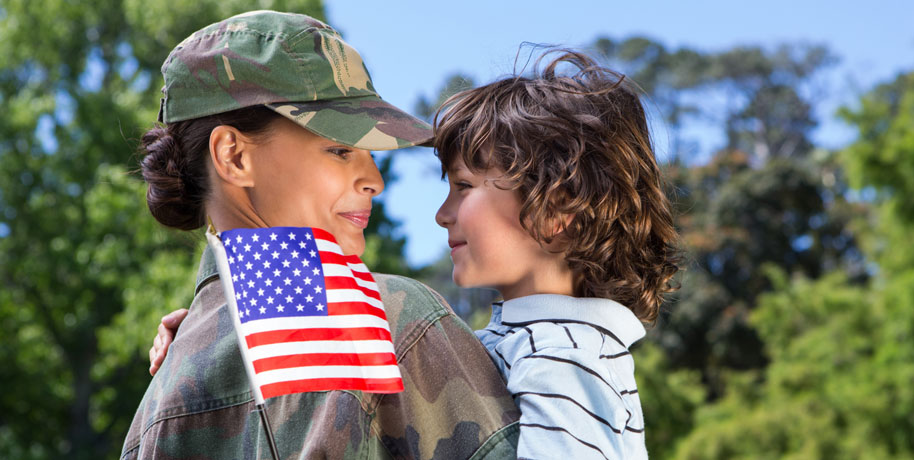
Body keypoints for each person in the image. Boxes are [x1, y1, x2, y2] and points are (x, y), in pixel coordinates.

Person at [122, 10, 519, 460]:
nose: (374, 180)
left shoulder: (158, 399)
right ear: (233, 157)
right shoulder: (393, 323)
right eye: (340, 149)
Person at [430, 50, 680, 459]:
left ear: (554, 211)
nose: (442, 215)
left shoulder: (560, 358)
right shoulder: (545, 345)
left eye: (464, 187)